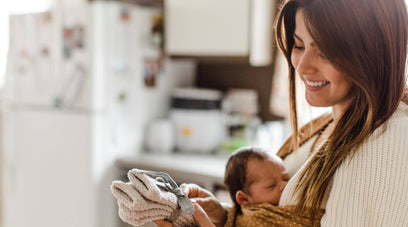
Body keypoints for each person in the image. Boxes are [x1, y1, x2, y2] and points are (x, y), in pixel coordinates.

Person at [155, 0, 408, 226]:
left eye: (325, 51)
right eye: (298, 45)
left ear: (372, 53)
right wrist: (226, 217)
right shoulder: (331, 123)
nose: (302, 65)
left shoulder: (390, 142)